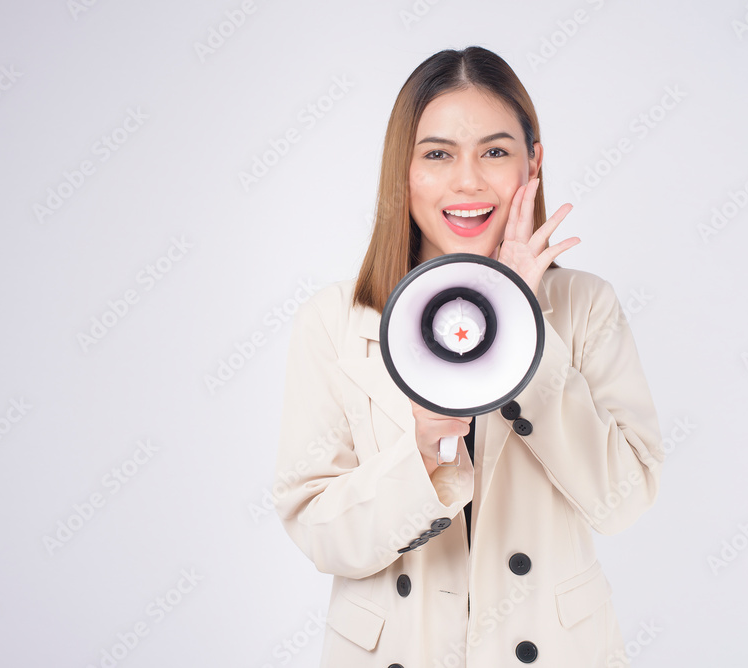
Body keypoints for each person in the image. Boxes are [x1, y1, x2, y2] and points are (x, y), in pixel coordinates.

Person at [274, 45, 663, 667]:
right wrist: (420, 454)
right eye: (437, 154)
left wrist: (522, 329)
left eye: (495, 151)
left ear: (532, 164)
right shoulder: (333, 321)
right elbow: (320, 532)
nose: (468, 181)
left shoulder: (584, 305)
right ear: (401, 169)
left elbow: (622, 501)